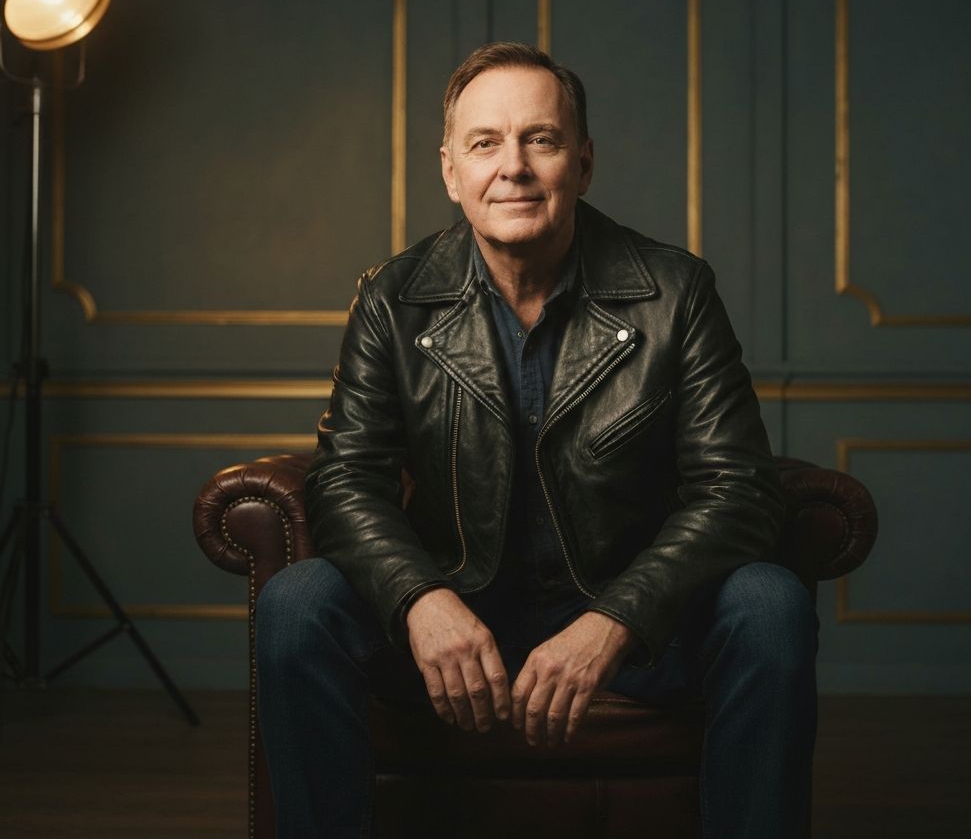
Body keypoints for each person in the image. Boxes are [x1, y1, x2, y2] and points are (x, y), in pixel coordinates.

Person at [256, 42, 818, 838]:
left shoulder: (676, 292)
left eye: (541, 140)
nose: (512, 167)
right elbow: (347, 479)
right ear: (451, 172)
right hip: (456, 613)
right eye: (485, 143)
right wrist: (420, 600)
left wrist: (615, 621)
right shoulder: (393, 298)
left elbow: (740, 490)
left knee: (770, 603)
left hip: (632, 623)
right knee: (296, 604)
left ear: (582, 164)